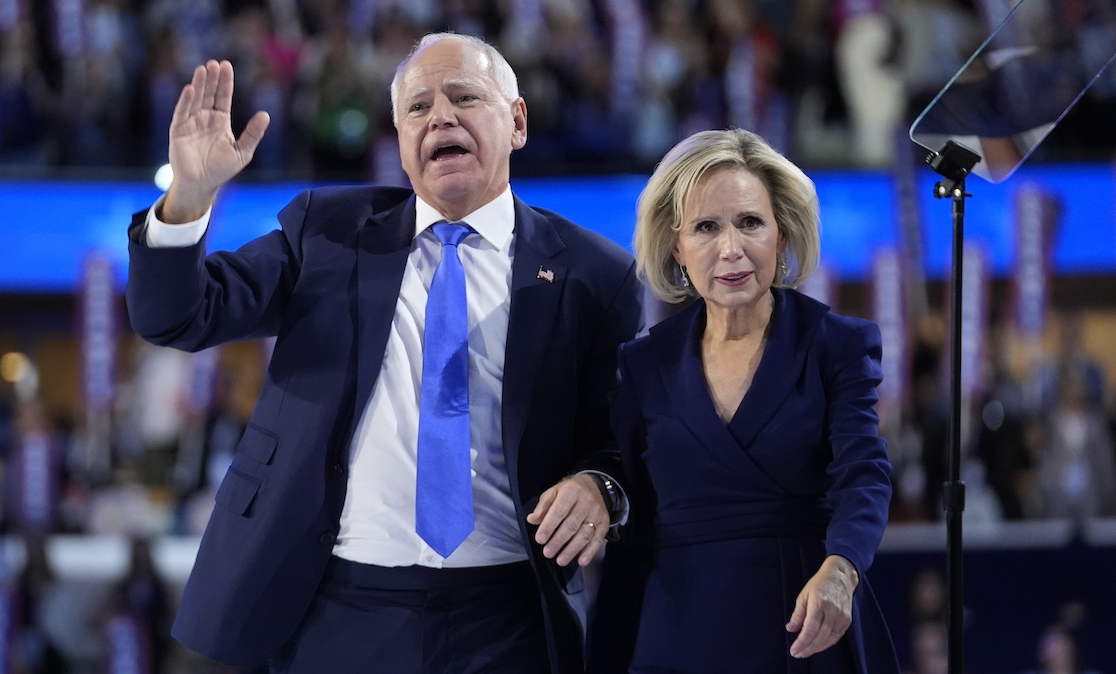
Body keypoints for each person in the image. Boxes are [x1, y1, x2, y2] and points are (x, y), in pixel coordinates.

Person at [124, 31, 643, 673]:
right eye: (418, 108)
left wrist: (600, 485)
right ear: (399, 143)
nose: (441, 117)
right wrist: (188, 200)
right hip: (339, 607)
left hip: (510, 616)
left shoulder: (596, 274)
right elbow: (176, 316)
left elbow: (623, 440)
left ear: (517, 122)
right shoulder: (327, 234)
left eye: (463, 96)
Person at [594, 128, 898, 672]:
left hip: (803, 625)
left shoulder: (837, 345)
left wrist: (842, 568)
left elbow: (865, 473)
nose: (730, 248)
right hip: (675, 633)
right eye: (707, 227)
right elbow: (629, 512)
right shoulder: (643, 365)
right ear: (676, 246)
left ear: (782, 236)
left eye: (750, 223)